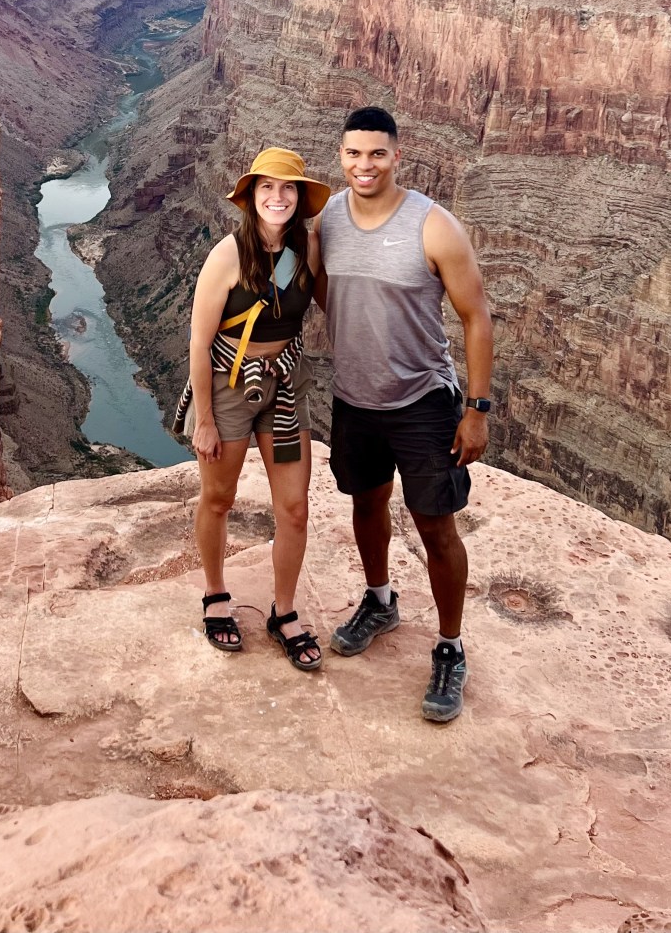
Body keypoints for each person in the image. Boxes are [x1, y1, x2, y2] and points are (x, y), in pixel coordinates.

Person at [313, 105, 493, 722]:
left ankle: (450, 646)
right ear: (340, 156)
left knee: (436, 526)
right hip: (354, 400)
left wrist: (476, 410)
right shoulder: (328, 220)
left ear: (397, 156)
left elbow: (476, 317)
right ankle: (380, 600)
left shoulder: (433, 226)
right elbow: (314, 288)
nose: (365, 165)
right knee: (365, 504)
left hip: (422, 403)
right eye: (354, 154)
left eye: (377, 154)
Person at [176, 147, 330, 672]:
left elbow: (340, 304)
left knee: (295, 509)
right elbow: (199, 342)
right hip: (228, 385)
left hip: (285, 382)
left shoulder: (307, 250)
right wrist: (204, 419)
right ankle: (216, 595)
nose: (277, 197)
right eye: (267, 187)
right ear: (251, 196)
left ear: (300, 199)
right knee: (218, 498)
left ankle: (283, 611)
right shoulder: (227, 255)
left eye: (287, 188)